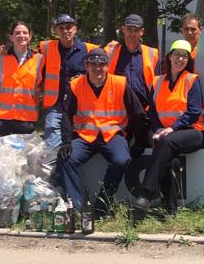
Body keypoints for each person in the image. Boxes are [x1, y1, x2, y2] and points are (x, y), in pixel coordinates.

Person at [58, 48, 148, 233]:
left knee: (121, 160)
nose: (97, 69)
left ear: (107, 66)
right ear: (86, 66)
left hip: (112, 135)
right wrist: (66, 141)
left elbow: (138, 113)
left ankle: (102, 205)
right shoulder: (76, 85)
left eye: (101, 65)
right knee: (66, 158)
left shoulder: (120, 83)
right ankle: (76, 207)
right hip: (85, 136)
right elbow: (66, 114)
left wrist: (138, 141)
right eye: (93, 64)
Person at [139, 39, 204, 214]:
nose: (181, 59)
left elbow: (194, 111)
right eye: (177, 54)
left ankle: (146, 192)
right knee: (171, 161)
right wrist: (157, 128)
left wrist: (173, 128)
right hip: (167, 135)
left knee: (166, 142)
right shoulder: (157, 81)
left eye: (184, 56)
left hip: (194, 132)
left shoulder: (192, 80)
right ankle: (170, 210)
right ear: (169, 57)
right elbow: (152, 111)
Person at [39, 14, 98, 149]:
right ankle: (54, 170)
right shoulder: (46, 48)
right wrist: (7, 48)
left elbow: (103, 67)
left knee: (79, 146)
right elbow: (27, 55)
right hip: (55, 107)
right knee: (52, 149)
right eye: (61, 28)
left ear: (75, 29)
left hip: (81, 109)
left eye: (69, 27)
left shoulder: (89, 50)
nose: (65, 31)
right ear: (56, 31)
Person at [0, 21, 44, 137]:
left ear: (30, 36)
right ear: (11, 37)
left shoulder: (39, 59)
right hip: (0, 117)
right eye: (17, 33)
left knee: (23, 155)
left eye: (25, 33)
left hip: (26, 117)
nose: (21, 36)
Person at [106, 14, 159, 110]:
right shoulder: (111, 52)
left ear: (142, 32)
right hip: (118, 108)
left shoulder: (152, 54)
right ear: (123, 29)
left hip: (144, 109)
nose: (132, 34)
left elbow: (159, 84)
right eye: (129, 29)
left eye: (136, 30)